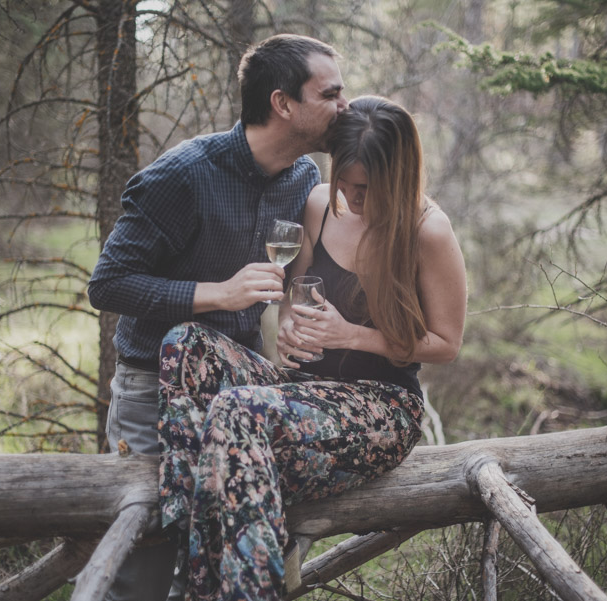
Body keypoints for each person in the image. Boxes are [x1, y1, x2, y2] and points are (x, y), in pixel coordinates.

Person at [156, 95, 468, 600]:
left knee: (237, 412)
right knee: (185, 343)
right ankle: (205, 539)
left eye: (364, 187)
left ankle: (230, 584)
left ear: (400, 173)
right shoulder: (322, 204)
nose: (350, 195)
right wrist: (287, 329)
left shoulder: (428, 231)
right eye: (343, 180)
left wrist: (351, 335)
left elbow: (447, 344)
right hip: (304, 391)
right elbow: (298, 298)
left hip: (381, 407)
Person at [87, 34, 348, 601]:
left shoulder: (303, 179)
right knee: (142, 574)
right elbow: (106, 284)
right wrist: (217, 293)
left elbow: (284, 282)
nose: (344, 106)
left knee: (212, 558)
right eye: (331, 94)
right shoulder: (182, 175)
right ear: (283, 103)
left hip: (238, 391)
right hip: (152, 390)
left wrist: (297, 319)